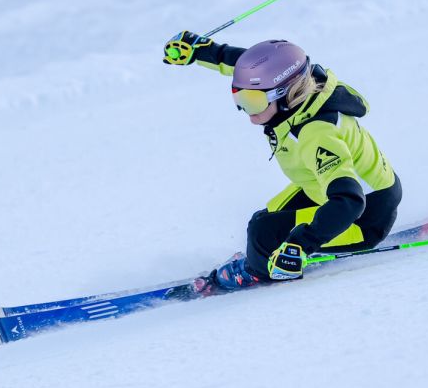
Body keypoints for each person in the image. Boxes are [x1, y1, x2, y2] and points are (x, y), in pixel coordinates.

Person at [163, 31, 402, 295]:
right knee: (264, 218)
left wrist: (301, 245)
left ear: (286, 94)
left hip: (362, 217)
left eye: (253, 102)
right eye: (240, 99)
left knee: (261, 232)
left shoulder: (316, 134)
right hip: (330, 187)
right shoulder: (306, 88)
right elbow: (245, 64)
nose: (248, 114)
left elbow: (349, 200)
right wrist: (201, 50)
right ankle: (262, 254)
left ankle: (256, 272)